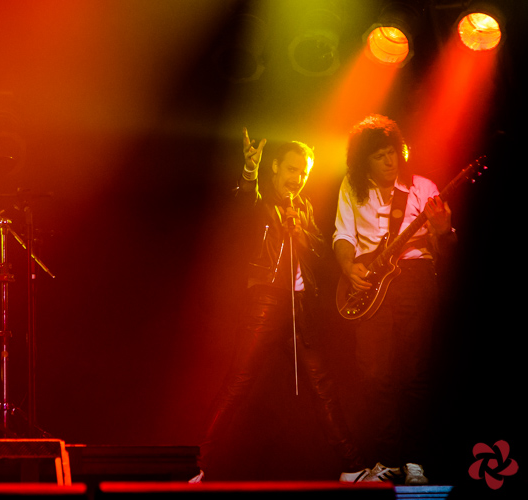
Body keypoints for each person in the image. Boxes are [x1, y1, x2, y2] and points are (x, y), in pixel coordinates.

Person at [191, 127, 364, 482]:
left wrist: (302, 233)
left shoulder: (303, 207)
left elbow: (319, 255)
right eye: (291, 169)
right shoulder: (263, 199)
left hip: (299, 305)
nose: (297, 178)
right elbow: (244, 199)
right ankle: (197, 467)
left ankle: (351, 467)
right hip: (267, 300)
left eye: (303, 172)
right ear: (275, 168)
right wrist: (249, 171)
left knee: (322, 385)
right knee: (238, 383)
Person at [333, 114, 455, 485]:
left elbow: (446, 249)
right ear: (363, 160)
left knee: (414, 371)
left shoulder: (422, 187)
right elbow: (343, 235)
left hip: (414, 276)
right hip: (371, 283)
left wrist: (442, 229)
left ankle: (416, 461)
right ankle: (387, 460)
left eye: (392, 152)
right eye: (379, 155)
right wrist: (348, 267)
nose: (390, 161)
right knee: (374, 374)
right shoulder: (352, 186)